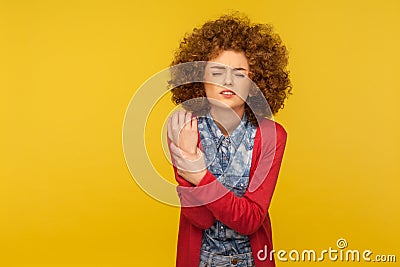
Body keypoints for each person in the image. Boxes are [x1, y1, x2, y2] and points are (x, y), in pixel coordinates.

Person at [167, 12, 291, 267]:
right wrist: (185, 156)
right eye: (217, 71)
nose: (227, 80)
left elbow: (250, 221)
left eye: (239, 72)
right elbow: (200, 219)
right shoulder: (185, 131)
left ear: (255, 80)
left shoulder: (271, 137)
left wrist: (199, 174)